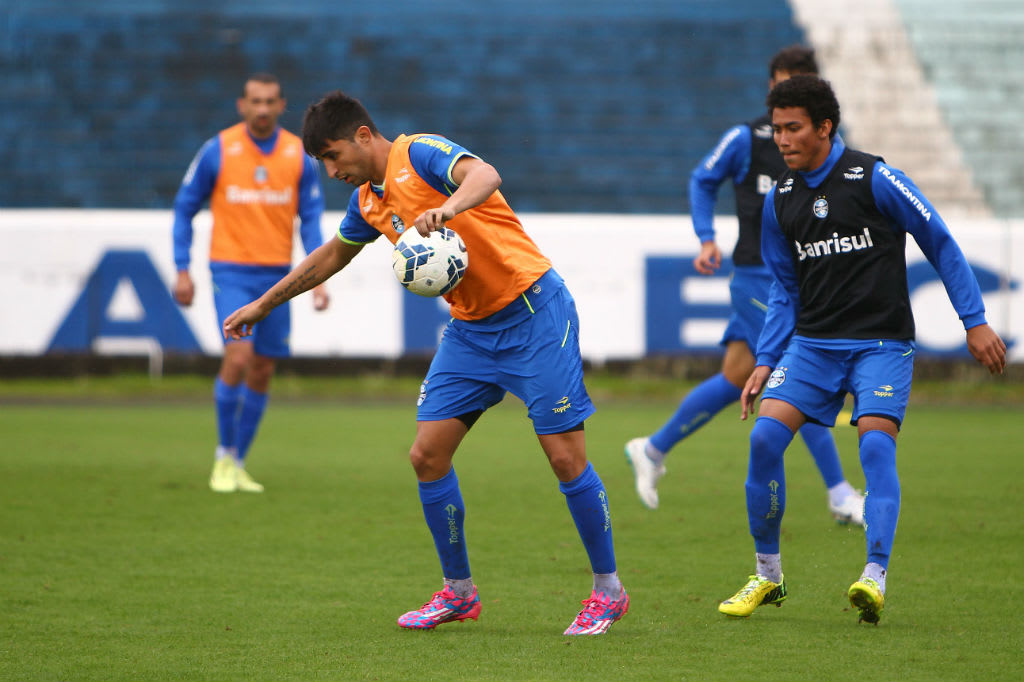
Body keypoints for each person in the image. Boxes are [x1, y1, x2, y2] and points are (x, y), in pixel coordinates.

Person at [222, 90, 629, 635]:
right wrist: (263, 304)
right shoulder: (368, 200)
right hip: (471, 330)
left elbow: (485, 174)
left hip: (534, 311)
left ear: (362, 136)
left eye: (333, 155)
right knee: (426, 456)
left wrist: (450, 205)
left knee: (563, 457)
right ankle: (458, 592)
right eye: (323, 161)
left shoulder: (418, 154)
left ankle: (608, 590)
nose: (331, 169)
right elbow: (331, 257)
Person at [717, 75, 1006, 624]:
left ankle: (873, 576)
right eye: (776, 129)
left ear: (825, 127)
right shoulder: (781, 197)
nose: (781, 139)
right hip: (812, 347)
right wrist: (764, 359)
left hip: (880, 345)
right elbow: (785, 288)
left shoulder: (875, 177)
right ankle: (768, 575)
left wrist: (975, 321)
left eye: (793, 128)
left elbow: (938, 241)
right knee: (763, 441)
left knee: (874, 448)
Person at [625, 46, 865, 525]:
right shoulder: (747, 138)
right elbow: (702, 178)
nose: (788, 89)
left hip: (802, 279)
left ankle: (652, 448)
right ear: (771, 84)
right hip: (759, 277)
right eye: (782, 80)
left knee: (737, 374)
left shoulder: (826, 148)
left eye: (799, 80)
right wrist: (706, 237)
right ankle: (840, 493)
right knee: (800, 378)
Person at [172, 73, 330, 494]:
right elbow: (185, 207)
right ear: (242, 105)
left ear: (282, 106)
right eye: (255, 101)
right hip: (231, 271)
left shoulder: (299, 155)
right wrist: (181, 268)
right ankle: (223, 455)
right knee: (239, 358)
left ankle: (239, 462)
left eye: (270, 102)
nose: (262, 109)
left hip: (279, 277)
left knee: (262, 369)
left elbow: (311, 220)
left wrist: (317, 279)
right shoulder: (218, 149)